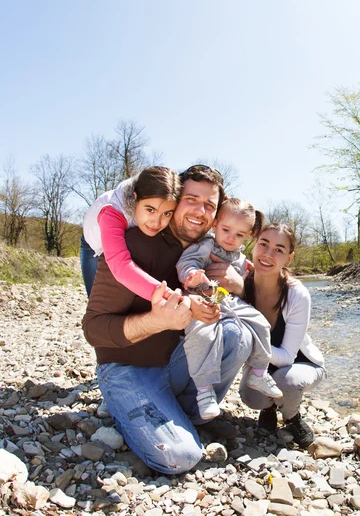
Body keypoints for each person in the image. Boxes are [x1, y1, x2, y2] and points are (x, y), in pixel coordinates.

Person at [82, 165, 252, 474]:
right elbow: (93, 330)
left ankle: (191, 415)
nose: (200, 211)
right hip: (127, 370)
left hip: (174, 364)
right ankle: (136, 414)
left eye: (209, 205)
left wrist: (238, 285)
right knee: (180, 458)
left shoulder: (212, 254)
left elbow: (265, 310)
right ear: (174, 200)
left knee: (237, 334)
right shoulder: (133, 244)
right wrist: (157, 320)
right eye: (191, 199)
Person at [176, 198, 282, 420]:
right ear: (215, 225)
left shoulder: (240, 256)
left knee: (260, 322)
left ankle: (258, 372)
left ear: (248, 236)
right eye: (226, 230)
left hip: (229, 302)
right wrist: (192, 275)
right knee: (203, 334)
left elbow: (243, 275)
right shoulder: (206, 245)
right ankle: (204, 392)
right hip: (201, 297)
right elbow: (186, 262)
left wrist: (247, 275)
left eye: (239, 235)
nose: (231, 238)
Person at [238, 223, 326, 448]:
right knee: (250, 395)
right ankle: (269, 408)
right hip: (263, 365)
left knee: (287, 381)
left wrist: (252, 350)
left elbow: (287, 356)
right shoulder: (241, 286)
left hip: (300, 363)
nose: (268, 254)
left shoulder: (297, 294)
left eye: (279, 249)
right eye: (263, 244)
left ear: (289, 258)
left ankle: (291, 417)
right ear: (253, 246)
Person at [80, 166, 181, 298]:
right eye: (150, 210)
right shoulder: (112, 213)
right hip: (93, 244)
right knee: (97, 298)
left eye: (166, 213)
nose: (156, 222)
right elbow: (121, 267)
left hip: (125, 236)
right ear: (135, 197)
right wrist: (169, 296)